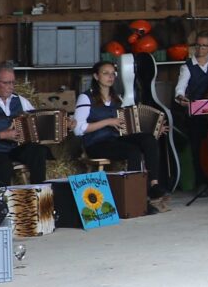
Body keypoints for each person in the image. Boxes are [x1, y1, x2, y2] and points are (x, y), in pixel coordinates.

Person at [73, 60, 170, 203]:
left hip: (115, 139)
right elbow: (77, 129)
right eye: (105, 73)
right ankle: (134, 192)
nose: (110, 77)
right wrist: (108, 122)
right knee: (133, 151)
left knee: (148, 139)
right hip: (96, 143)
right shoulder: (86, 97)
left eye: (113, 74)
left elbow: (129, 123)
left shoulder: (117, 98)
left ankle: (153, 185)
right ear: (96, 76)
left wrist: (153, 128)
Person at [0, 62, 49, 190]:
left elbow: (36, 120)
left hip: (15, 148)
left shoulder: (20, 100)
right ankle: (3, 204)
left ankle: (40, 193)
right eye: (6, 83)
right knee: (4, 165)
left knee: (38, 151)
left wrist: (64, 123)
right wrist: (2, 135)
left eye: (12, 83)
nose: (11, 87)